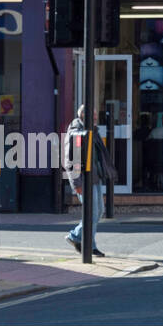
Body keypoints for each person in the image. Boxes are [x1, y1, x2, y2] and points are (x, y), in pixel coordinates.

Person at [65, 104, 117, 257]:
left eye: (95, 115)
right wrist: (76, 184)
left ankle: (79, 237)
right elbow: (70, 160)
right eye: (92, 116)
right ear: (82, 116)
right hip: (84, 180)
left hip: (95, 177)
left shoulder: (93, 132)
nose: (95, 118)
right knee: (92, 212)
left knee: (98, 211)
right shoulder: (76, 132)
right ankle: (87, 243)